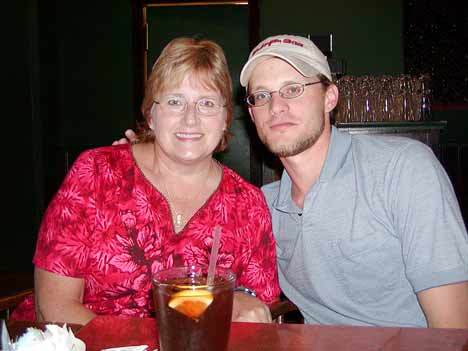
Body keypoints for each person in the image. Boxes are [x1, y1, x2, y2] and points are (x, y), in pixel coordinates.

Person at [13, 37, 280, 325]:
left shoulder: (248, 205)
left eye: (206, 103)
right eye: (175, 101)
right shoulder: (96, 173)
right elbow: (54, 308)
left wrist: (240, 298)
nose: (190, 119)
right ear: (151, 115)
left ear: (226, 118)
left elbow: (258, 309)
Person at [239, 34, 468, 328]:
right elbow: (229, 276)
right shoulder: (262, 206)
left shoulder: (402, 169)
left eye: (293, 89)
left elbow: (453, 330)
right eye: (262, 95)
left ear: (329, 98)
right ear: (252, 113)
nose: (276, 106)